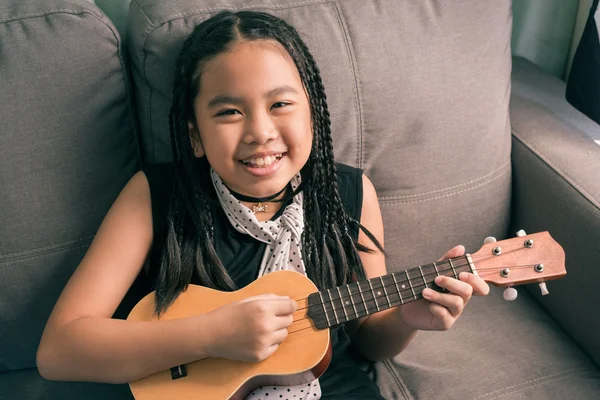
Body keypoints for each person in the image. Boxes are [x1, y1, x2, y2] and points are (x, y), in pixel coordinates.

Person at [36, 10, 489, 399]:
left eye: (280, 104)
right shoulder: (156, 196)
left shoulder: (348, 195)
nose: (259, 132)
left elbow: (368, 339)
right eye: (229, 112)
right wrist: (212, 334)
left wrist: (408, 318)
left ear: (311, 111)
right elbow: (59, 351)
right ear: (195, 134)